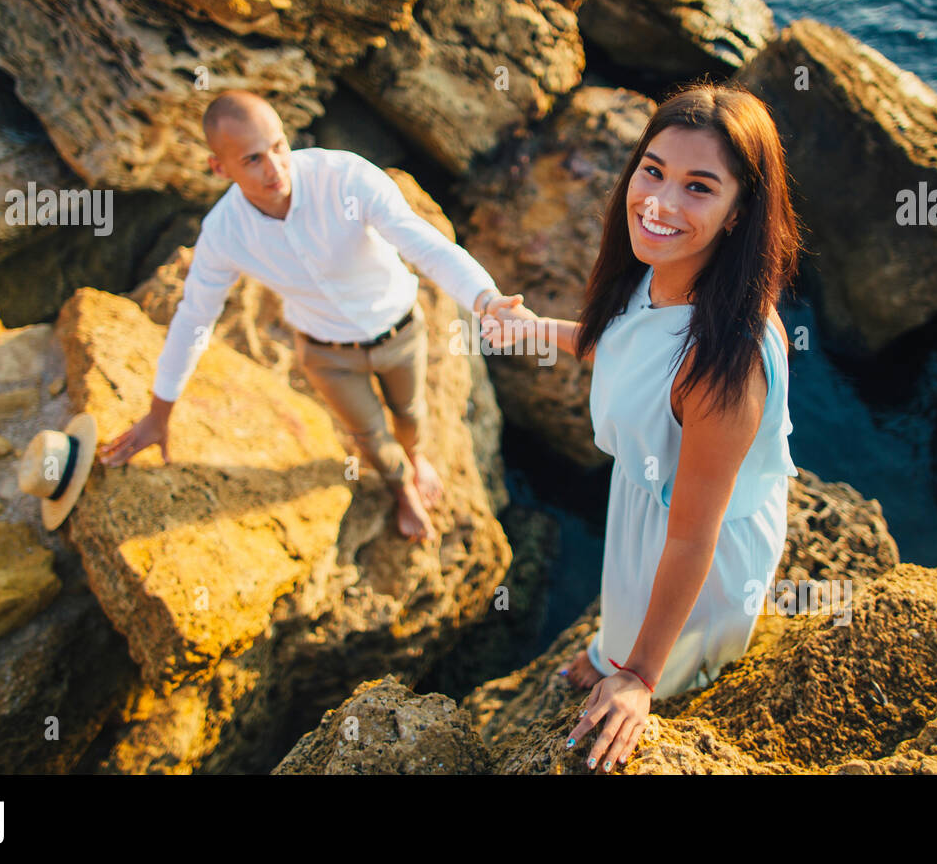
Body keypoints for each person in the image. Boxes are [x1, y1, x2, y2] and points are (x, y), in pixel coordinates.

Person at [484, 82, 803, 772]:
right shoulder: (662, 272)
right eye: (652, 170)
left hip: (697, 551)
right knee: (620, 624)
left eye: (698, 187)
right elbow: (631, 347)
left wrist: (640, 677)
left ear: (738, 210)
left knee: (651, 678)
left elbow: (693, 534)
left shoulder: (725, 364)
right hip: (651, 507)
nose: (658, 202)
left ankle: (638, 661)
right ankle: (612, 646)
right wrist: (536, 331)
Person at [99, 91, 526, 542]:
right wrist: (159, 411)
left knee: (410, 413)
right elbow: (194, 317)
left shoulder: (344, 177)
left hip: (400, 331)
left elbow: (422, 243)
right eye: (253, 159)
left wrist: (486, 298)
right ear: (220, 169)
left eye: (279, 146)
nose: (276, 168)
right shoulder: (224, 233)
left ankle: (416, 458)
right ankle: (404, 490)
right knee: (369, 434)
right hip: (326, 354)